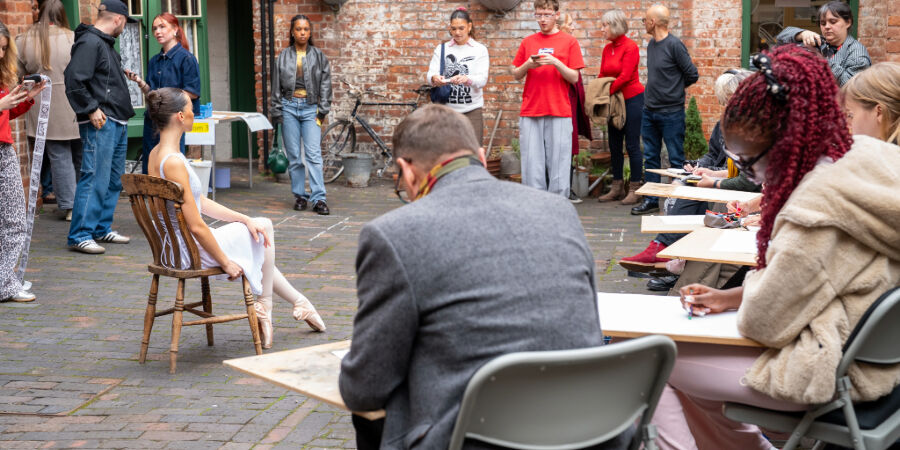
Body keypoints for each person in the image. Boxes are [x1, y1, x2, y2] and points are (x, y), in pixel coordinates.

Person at [649, 46, 900, 450]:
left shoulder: (816, 205)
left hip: (827, 372)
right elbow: (828, 278)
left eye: (749, 161)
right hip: (873, 362)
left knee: (653, 362)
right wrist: (734, 295)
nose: (751, 175)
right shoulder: (873, 165)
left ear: (785, 141)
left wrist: (751, 297)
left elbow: (767, 322)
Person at [339, 105, 630, 450]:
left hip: (478, 438)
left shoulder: (393, 234)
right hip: (592, 433)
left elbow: (365, 388)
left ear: (407, 171)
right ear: (479, 156)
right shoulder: (560, 211)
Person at [145, 87, 325, 349]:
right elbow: (196, 226)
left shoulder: (156, 155)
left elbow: (200, 202)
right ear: (180, 117)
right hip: (189, 250)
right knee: (264, 226)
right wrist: (225, 262)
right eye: (191, 109)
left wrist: (243, 218)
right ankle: (265, 305)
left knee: (255, 232)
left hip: (172, 246)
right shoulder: (173, 162)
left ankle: (299, 302)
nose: (194, 112)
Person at [620, 69, 757, 283]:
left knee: (691, 193)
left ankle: (669, 253)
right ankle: (671, 254)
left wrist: (714, 179)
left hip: (737, 189)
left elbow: (744, 176)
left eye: (731, 100)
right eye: (725, 102)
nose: (727, 107)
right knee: (679, 184)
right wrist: (698, 166)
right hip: (728, 181)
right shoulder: (726, 122)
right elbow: (713, 155)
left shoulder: (754, 128)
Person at [64, 0, 136, 254]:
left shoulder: (102, 43)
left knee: (112, 180)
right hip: (101, 120)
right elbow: (73, 79)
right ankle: (80, 234)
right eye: (126, 22)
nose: (125, 28)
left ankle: (99, 228)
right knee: (94, 176)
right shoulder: (90, 42)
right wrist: (91, 108)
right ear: (118, 19)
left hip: (116, 120)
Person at [16, 0, 81, 222]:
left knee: (58, 154)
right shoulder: (74, 38)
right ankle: (82, 203)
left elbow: (18, 74)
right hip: (75, 102)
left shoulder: (24, 40)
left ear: (40, 13)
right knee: (80, 154)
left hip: (45, 101)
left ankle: (70, 205)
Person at [511, 0, 584, 198]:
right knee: (531, 164)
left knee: (559, 165)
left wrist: (555, 62)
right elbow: (516, 73)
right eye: (539, 15)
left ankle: (559, 208)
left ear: (556, 14)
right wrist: (528, 64)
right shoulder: (528, 42)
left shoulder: (569, 42)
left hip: (559, 109)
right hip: (531, 109)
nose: (542, 19)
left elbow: (574, 77)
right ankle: (535, 208)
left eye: (547, 14)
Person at [632, 4, 698, 215]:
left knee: (675, 159)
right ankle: (651, 200)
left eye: (645, 20)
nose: (643, 23)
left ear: (653, 22)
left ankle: (677, 201)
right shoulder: (652, 44)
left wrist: (674, 90)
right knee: (650, 157)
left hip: (671, 113)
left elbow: (692, 74)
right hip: (649, 111)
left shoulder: (674, 45)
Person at [0, 20, 46, 302]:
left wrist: (25, 100)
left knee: (14, 219)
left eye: (4, 49)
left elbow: (4, 116)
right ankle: (5, 283)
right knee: (14, 220)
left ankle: (5, 279)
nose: (1, 54)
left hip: (3, 150)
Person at [270, 14, 333, 215]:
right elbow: (276, 87)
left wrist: (322, 110)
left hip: (310, 108)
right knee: (295, 156)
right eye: (298, 29)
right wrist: (277, 111)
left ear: (310, 32)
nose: (302, 32)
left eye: (306, 29)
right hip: (289, 107)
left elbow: (326, 84)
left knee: (313, 155)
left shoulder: (318, 56)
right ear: (292, 32)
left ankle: (319, 198)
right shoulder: (283, 57)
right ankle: (299, 195)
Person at [125, 12, 201, 175]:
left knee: (170, 166)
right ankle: (152, 200)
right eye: (154, 29)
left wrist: (165, 97)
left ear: (175, 29)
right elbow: (152, 93)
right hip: (152, 120)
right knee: (150, 167)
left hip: (173, 120)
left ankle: (171, 200)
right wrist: (140, 82)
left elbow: (192, 92)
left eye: (162, 27)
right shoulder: (154, 61)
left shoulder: (186, 59)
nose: (157, 32)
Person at [596, 9, 644, 205]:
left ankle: (635, 188)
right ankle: (616, 187)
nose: (602, 29)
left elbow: (625, 77)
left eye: (604, 25)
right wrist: (598, 92)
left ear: (614, 25)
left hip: (632, 99)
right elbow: (602, 75)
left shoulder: (630, 47)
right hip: (613, 101)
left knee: (631, 145)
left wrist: (606, 92)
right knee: (614, 145)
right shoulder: (607, 49)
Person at [426, 7, 490, 145]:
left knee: (472, 153)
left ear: (469, 26)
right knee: (446, 154)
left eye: (461, 28)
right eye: (454, 29)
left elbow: (482, 79)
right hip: (447, 112)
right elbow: (430, 74)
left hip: (472, 111)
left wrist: (467, 79)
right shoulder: (442, 48)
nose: (457, 32)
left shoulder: (480, 50)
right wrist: (435, 78)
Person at [776, 0, 870, 86]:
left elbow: (851, 87)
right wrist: (801, 34)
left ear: (848, 22)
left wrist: (823, 59)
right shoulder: (820, 42)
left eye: (833, 22)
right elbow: (780, 39)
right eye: (823, 23)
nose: (827, 27)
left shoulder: (857, 52)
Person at [557, 12, 592, 204]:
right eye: (570, 24)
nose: (573, 27)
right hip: (561, 99)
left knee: (569, 145)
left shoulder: (571, 44)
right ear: (561, 25)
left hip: (572, 98)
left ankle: (567, 187)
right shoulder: (559, 46)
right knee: (560, 145)